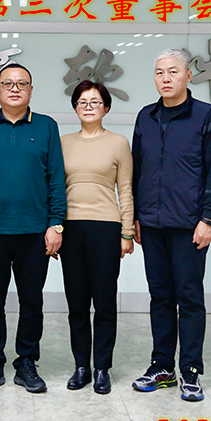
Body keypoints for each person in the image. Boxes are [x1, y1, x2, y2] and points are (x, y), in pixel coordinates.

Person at [0, 63, 67, 394]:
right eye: (8, 83)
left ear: (31, 90)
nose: (15, 89)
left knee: (31, 301)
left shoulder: (47, 126)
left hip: (35, 231)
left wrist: (56, 224)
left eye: (22, 84)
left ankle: (26, 362)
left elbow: (56, 178)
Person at [130, 48, 211, 402]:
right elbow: (137, 169)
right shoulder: (146, 117)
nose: (166, 78)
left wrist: (208, 219)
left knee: (189, 298)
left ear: (188, 75)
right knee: (160, 297)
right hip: (152, 223)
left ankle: (191, 371)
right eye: (159, 72)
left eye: (173, 71)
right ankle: (162, 366)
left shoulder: (206, 116)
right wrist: (135, 217)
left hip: (189, 225)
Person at [59, 80, 134, 395]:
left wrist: (127, 231)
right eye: (83, 102)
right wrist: (55, 228)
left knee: (104, 302)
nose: (89, 107)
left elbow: (126, 189)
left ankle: (102, 367)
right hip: (71, 228)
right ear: (75, 107)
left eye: (95, 102)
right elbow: (54, 189)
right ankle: (81, 366)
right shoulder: (62, 142)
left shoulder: (118, 143)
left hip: (106, 228)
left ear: (106, 107)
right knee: (77, 303)